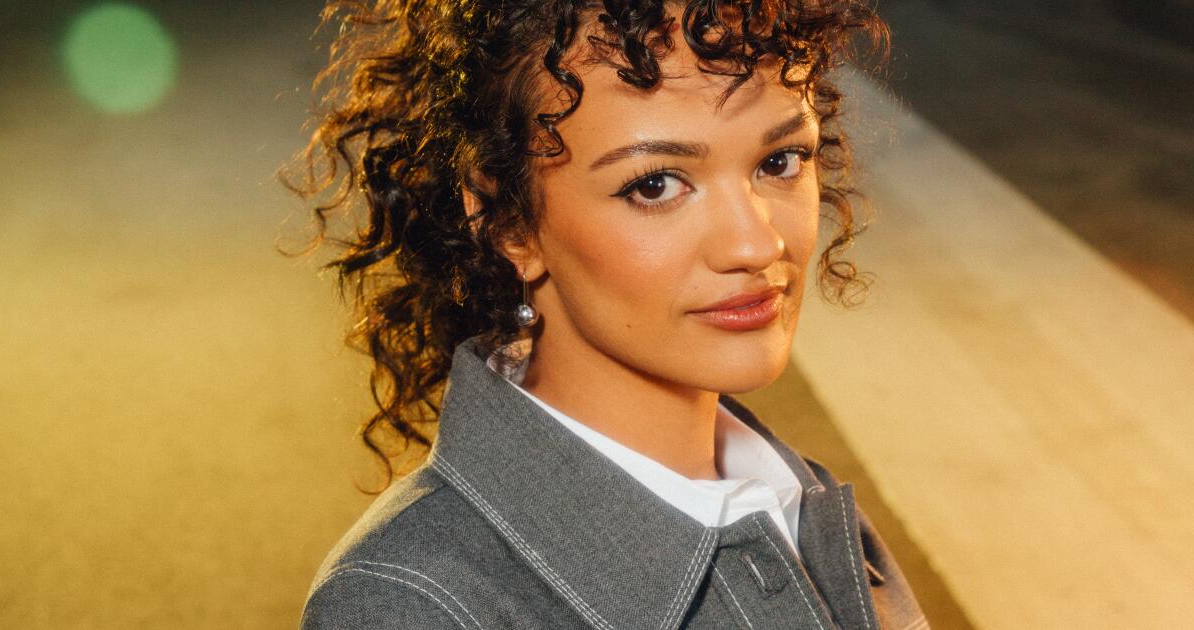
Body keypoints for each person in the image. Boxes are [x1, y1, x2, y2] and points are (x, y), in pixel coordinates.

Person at [284, 0, 927, 627]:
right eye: (655, 184)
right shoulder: (413, 605)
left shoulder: (797, 495)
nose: (757, 245)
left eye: (779, 162)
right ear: (508, 221)